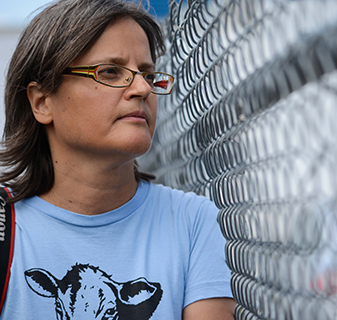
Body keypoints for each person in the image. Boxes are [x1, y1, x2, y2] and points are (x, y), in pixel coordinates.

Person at [0, 0, 235, 319]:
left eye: (149, 75)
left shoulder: (192, 222)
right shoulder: (7, 230)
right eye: (110, 71)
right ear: (42, 102)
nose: (142, 88)